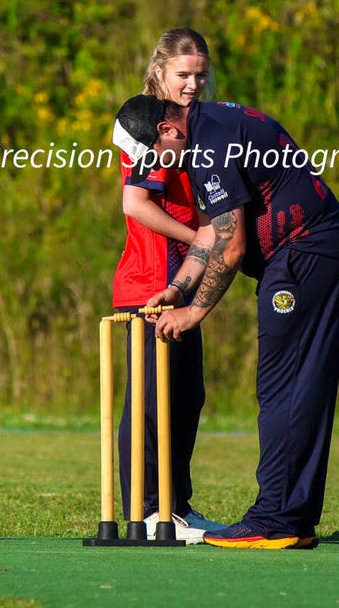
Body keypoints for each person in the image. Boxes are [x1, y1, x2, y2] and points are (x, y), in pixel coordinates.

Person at [112, 94, 339, 550]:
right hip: (308, 253)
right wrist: (180, 289)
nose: (158, 166)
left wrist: (195, 312)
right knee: (293, 385)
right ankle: (293, 518)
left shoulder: (209, 145)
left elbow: (232, 247)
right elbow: (212, 233)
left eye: (154, 156)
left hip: (303, 254)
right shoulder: (207, 127)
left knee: (284, 387)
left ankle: (276, 519)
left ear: (167, 130)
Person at [111, 29, 226, 544]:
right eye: (183, 74)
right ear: (160, 71)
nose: (193, 83)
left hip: (181, 282)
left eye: (201, 74)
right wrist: (200, 237)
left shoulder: (190, 126)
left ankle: (177, 508)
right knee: (152, 403)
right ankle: (150, 510)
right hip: (151, 282)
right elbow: (136, 204)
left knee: (187, 396)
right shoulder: (148, 125)